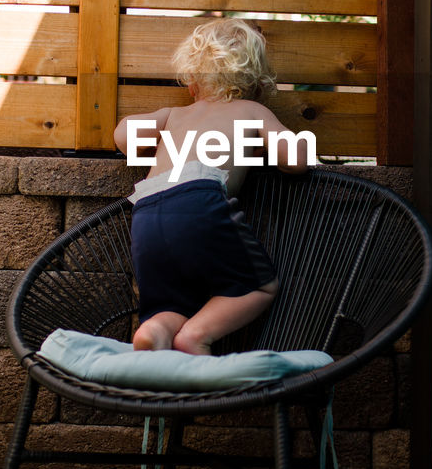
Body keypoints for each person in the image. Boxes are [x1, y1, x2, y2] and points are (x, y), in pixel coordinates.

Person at [113, 18, 313, 355]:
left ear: (192, 81)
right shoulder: (252, 111)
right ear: (256, 82)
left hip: (146, 210)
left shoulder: (174, 115)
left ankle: (155, 330)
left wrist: (159, 127)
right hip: (198, 200)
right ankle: (197, 336)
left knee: (170, 305)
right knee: (259, 287)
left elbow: (122, 137)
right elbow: (296, 161)